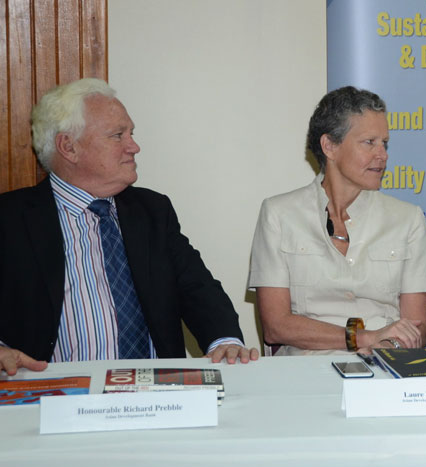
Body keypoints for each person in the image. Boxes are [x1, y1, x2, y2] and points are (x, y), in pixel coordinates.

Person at [0, 78, 259, 375]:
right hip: (54, 395)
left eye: (131, 133)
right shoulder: (10, 220)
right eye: (117, 135)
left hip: (155, 392)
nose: (134, 146)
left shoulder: (152, 211)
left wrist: (223, 340)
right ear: (68, 147)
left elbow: (197, 287)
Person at [248, 86, 426, 355]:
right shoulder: (279, 215)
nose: (382, 155)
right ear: (329, 146)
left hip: (382, 367)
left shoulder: (408, 220)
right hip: (304, 376)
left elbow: (417, 327)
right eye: (369, 142)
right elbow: (276, 326)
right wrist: (365, 338)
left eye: (384, 143)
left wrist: (385, 346)